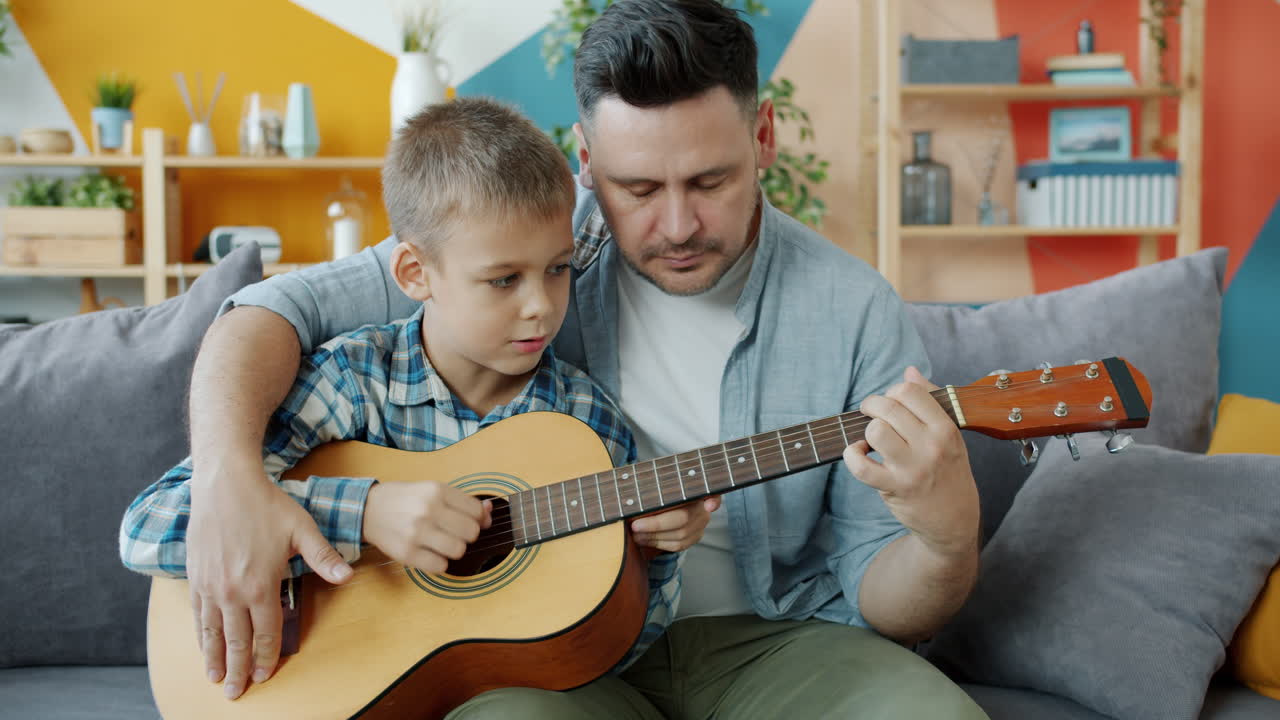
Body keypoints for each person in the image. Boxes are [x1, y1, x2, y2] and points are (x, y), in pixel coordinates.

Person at [183, 0, 989, 717]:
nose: (676, 224)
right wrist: (229, 482)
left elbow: (880, 589)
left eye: (709, 180)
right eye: (637, 189)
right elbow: (274, 307)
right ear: (587, 160)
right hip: (541, 654)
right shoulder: (522, 238)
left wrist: (946, 540)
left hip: (775, 643)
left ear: (764, 135)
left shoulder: (853, 309)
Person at [119, 98, 691, 701]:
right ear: (415, 274)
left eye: (557, 269)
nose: (541, 306)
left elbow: (624, 650)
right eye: (503, 279)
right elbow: (147, 526)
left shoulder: (588, 425)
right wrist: (364, 512)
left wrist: (656, 557)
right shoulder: (352, 380)